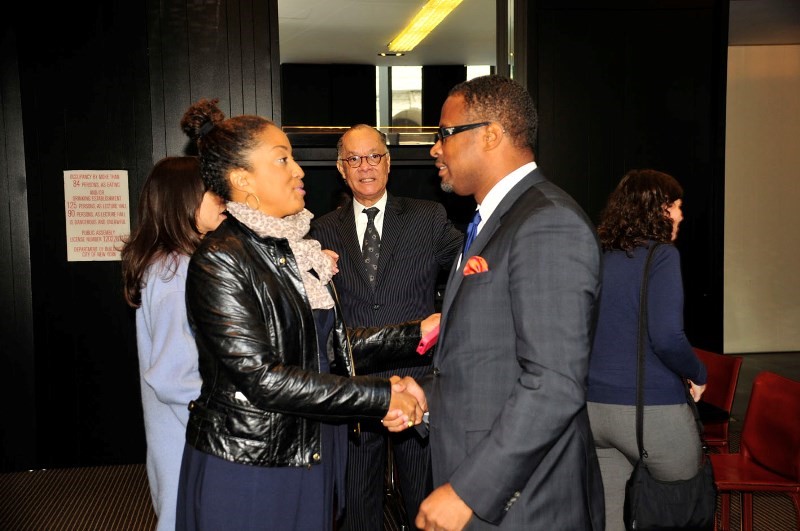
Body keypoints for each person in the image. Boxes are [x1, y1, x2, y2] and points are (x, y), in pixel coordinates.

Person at [175, 98, 433, 531]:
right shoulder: (222, 259)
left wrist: (415, 333)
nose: (298, 170)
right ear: (243, 180)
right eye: (282, 160)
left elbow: (323, 346)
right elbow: (263, 379)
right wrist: (378, 397)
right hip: (254, 462)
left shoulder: (289, 249)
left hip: (308, 447)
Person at [415, 74, 605, 530]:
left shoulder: (546, 223)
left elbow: (555, 383)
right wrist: (427, 397)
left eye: (444, 133)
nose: (435, 149)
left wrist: (468, 491)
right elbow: (490, 358)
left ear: (492, 134)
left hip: (524, 500)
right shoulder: (492, 221)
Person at [310, 124, 463, 530]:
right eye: (354, 159)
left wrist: (454, 319)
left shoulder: (427, 217)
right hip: (356, 385)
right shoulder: (321, 230)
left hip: (417, 378)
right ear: (342, 169)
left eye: (374, 156)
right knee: (358, 501)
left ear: (389, 162)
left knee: (423, 499)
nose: (366, 166)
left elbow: (472, 267)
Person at [586, 168, 708, 531]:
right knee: (683, 505)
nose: (681, 215)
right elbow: (668, 337)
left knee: (611, 520)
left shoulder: (597, 257)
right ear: (659, 209)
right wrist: (699, 374)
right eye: (676, 206)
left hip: (593, 412)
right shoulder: (663, 257)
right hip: (650, 413)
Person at [120, 156, 227, 531]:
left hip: (183, 436)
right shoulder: (175, 271)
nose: (223, 200)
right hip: (188, 438)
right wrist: (227, 425)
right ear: (185, 201)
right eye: (212, 192)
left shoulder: (174, 264)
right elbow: (173, 376)